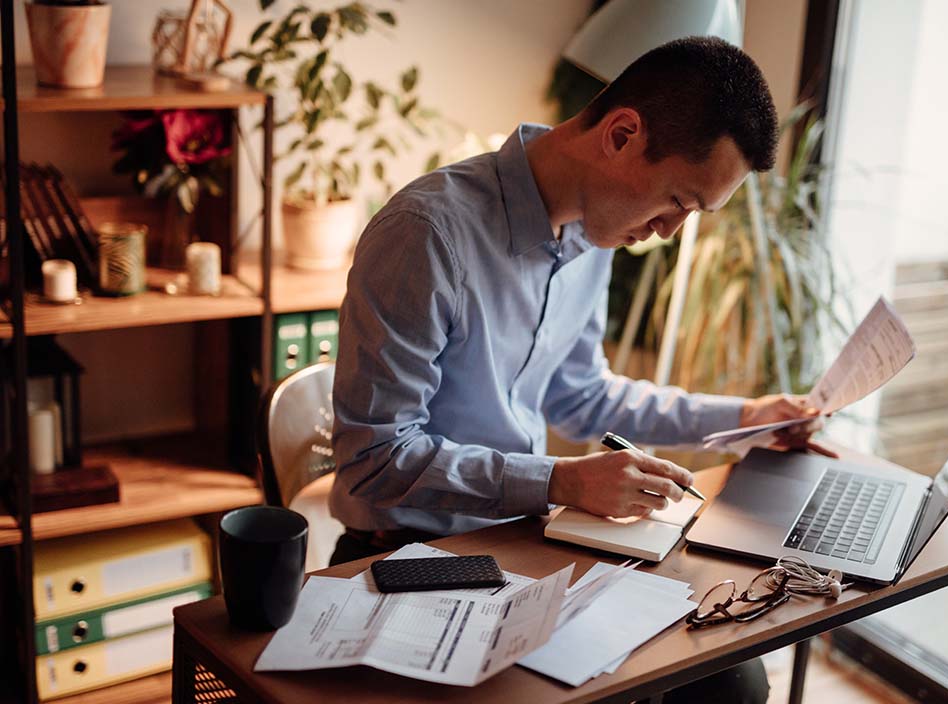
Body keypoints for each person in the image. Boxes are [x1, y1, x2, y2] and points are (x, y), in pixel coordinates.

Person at [330, 36, 824, 702]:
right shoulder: (426, 234)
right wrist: (559, 480)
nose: (671, 232)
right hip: (407, 555)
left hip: (518, 547)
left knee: (728, 679)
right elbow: (374, 458)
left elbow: (582, 396)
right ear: (621, 135)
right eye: (678, 200)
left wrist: (743, 418)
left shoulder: (592, 235)